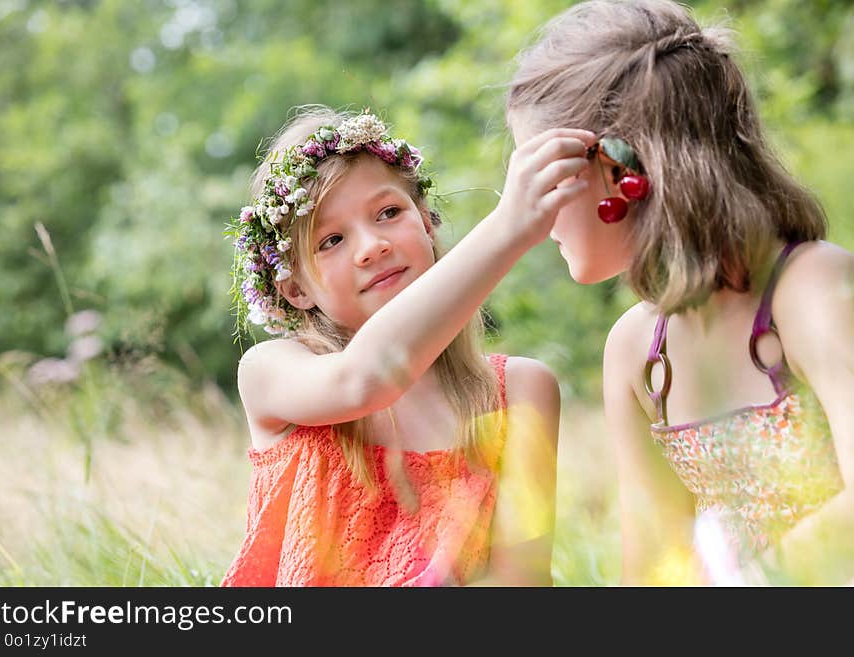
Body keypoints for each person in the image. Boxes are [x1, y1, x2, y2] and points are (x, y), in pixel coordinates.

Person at [506, 0, 853, 584]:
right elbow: (651, 574)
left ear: (619, 171)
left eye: (540, 176)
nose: (530, 215)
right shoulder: (637, 350)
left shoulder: (811, 288)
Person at [220, 106, 594, 586]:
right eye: (331, 240)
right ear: (295, 290)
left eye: (389, 213)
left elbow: (522, 586)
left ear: (426, 223)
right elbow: (362, 381)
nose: (371, 245)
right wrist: (507, 229)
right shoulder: (273, 371)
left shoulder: (521, 390)